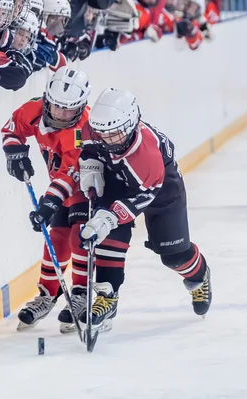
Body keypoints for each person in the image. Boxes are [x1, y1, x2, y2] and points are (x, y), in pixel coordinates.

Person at [76, 88, 213, 331]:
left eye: (115, 134)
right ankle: (108, 297)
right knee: (106, 233)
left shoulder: (145, 156)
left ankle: (199, 275)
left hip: (160, 188)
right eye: (103, 134)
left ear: (131, 125)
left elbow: (145, 194)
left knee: (174, 255)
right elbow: (87, 147)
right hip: (117, 178)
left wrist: (110, 217)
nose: (107, 140)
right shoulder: (93, 127)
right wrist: (91, 166)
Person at [0, 66, 93, 332]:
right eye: (57, 107)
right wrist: (14, 151)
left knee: (79, 235)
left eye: (69, 110)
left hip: (87, 186)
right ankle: (47, 294)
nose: (62, 115)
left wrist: (49, 202)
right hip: (60, 185)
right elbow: (11, 128)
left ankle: (81, 295)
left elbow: (71, 172)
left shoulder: (83, 129)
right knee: (56, 238)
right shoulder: (35, 109)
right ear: (47, 99)